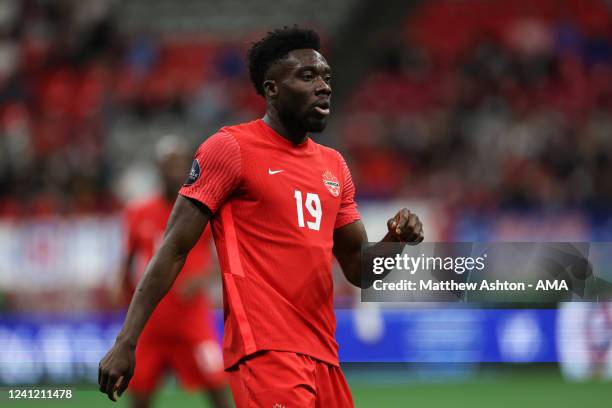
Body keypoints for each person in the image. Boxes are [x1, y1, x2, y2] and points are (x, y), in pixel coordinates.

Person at [99, 27, 424, 407]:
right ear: (271, 89)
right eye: (307, 76)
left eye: (326, 78)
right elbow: (172, 249)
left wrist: (396, 240)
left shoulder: (334, 166)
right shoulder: (230, 149)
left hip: (324, 356)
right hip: (266, 353)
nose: (323, 86)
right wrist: (126, 341)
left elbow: (360, 269)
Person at [118, 136, 231, 408]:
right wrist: (124, 296)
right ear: (158, 168)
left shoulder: (201, 210)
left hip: (192, 321)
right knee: (139, 397)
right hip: (152, 324)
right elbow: (127, 261)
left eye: (178, 164)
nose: (173, 171)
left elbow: (227, 258)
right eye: (167, 165)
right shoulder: (139, 213)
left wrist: (201, 279)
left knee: (218, 389)